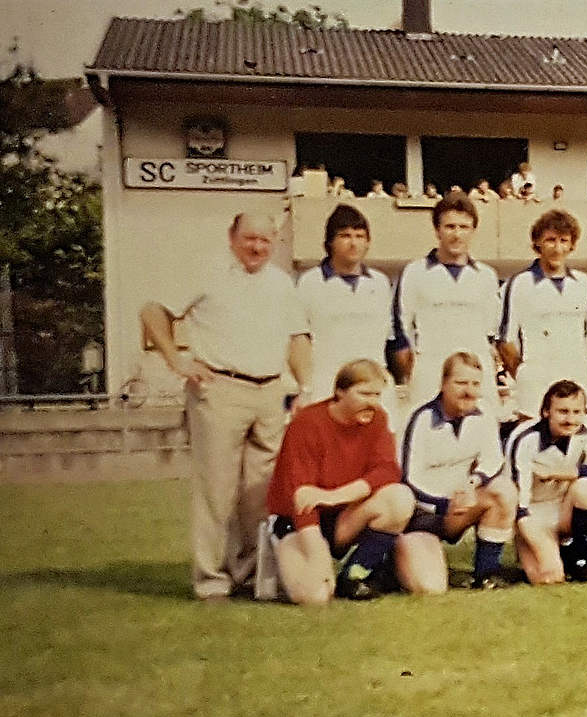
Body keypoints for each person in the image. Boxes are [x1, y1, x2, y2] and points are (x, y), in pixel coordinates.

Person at [139, 212, 311, 601]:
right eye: (249, 238)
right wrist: (176, 359)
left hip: (269, 392)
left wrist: (305, 386)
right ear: (232, 238)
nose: (257, 247)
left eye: (265, 241)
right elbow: (153, 311)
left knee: (259, 493)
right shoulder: (207, 273)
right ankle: (211, 581)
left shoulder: (281, 284)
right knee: (216, 491)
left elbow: (298, 337)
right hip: (220, 389)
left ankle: (249, 575)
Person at [267, 360, 424, 603]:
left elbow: (387, 471)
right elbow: (300, 496)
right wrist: (317, 554)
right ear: (340, 392)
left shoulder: (378, 419)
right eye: (363, 394)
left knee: (400, 497)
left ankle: (354, 575)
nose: (372, 402)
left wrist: (333, 496)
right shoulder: (307, 423)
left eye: (376, 395)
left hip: (343, 517)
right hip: (300, 522)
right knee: (316, 596)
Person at [401, 352, 518, 588]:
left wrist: (474, 482)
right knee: (430, 587)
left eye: (475, 384)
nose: (469, 390)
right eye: (461, 383)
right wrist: (445, 504)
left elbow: (493, 459)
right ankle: (393, 561)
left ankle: (486, 574)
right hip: (421, 513)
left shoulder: (483, 412)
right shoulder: (420, 418)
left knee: (504, 490)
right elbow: (408, 478)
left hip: (460, 505)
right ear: (444, 384)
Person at [392, 193, 502, 414]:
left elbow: (492, 331)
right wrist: (416, 369)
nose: (457, 234)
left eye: (464, 227)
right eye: (450, 226)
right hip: (430, 373)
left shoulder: (486, 276)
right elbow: (400, 331)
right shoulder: (415, 272)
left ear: (473, 231)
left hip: (476, 373)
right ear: (437, 230)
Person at [505, 381, 587, 584]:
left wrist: (562, 473)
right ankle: (549, 553)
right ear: (546, 411)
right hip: (533, 512)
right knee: (548, 578)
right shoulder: (525, 437)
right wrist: (534, 539)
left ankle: (581, 562)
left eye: (576, 411)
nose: (570, 419)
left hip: (565, 506)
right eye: (563, 411)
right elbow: (519, 503)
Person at [295, 205, 395, 419]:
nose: (353, 243)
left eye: (360, 236)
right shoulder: (310, 282)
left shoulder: (380, 283)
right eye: (345, 236)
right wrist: (305, 388)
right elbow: (300, 339)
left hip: (375, 387)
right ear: (330, 242)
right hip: (327, 387)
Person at [499, 209, 587, 419]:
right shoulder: (519, 284)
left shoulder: (583, 283)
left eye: (564, 241)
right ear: (538, 243)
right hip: (535, 389)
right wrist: (525, 376)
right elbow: (505, 341)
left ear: (572, 245)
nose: (557, 248)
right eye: (550, 240)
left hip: (576, 383)